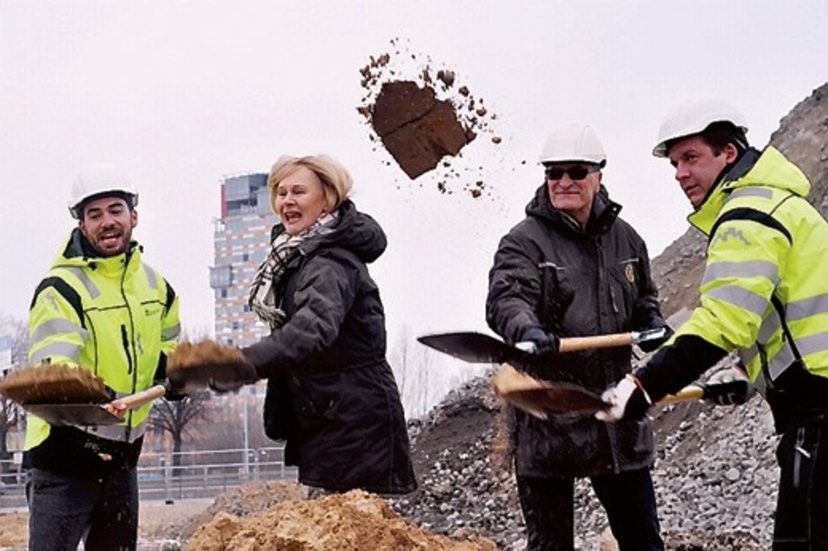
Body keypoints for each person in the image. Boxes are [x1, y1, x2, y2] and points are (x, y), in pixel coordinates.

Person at [598, 97, 828, 549]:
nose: (680, 174)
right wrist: (746, 374)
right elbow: (782, 310)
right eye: (675, 164)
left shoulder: (748, 214)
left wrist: (645, 383)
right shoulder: (784, 206)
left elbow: (726, 319)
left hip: (818, 415)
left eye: (691, 158)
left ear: (729, 153)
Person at [486, 123, 671, 550]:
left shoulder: (627, 239)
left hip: (613, 415)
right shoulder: (524, 241)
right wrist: (526, 330)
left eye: (575, 171)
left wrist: (651, 321)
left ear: (598, 175)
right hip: (549, 417)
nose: (563, 182)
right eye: (554, 173)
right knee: (551, 545)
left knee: (643, 540)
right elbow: (505, 299)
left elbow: (643, 295)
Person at [195, 153, 417, 495]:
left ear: (327, 200)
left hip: (355, 427)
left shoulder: (329, 262)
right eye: (281, 193)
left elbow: (312, 327)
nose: (287, 201)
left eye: (298, 192)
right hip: (330, 418)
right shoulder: (298, 259)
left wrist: (243, 363)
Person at [24, 162, 181, 550]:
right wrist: (92, 394)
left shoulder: (156, 286)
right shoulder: (61, 289)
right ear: (82, 225)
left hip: (122, 459)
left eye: (115, 211)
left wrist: (175, 372)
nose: (107, 222)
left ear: (134, 216)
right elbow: (55, 368)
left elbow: (169, 347)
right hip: (63, 457)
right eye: (94, 215)